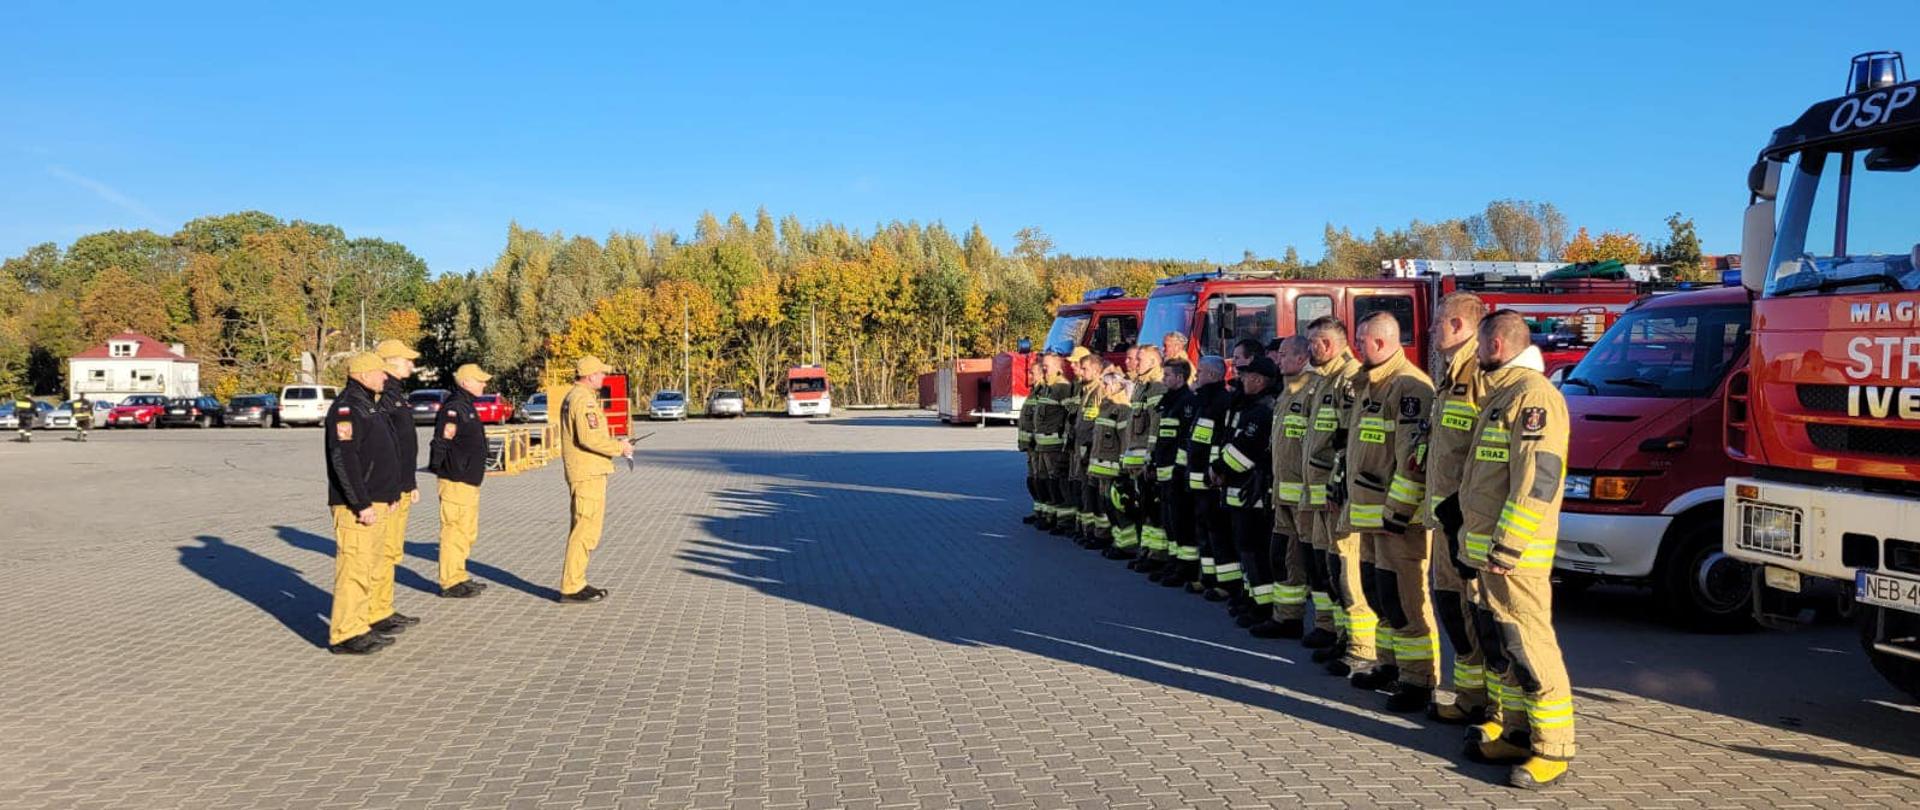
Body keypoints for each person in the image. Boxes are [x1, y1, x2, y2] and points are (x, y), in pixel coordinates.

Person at [1451, 309, 1575, 789]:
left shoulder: (1533, 397)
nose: (1477, 355)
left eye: (1480, 346)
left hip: (1513, 557)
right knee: (1507, 648)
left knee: (1530, 648)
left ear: (1495, 345)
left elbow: (1537, 481)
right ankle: (1519, 733)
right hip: (1490, 554)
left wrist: (1508, 545)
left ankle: (1553, 748)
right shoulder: (1504, 395)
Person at [1342, 312, 1437, 707]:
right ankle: (1389, 664)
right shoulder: (1371, 383)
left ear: (1379, 342)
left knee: (1404, 600)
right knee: (1379, 595)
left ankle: (1417, 680)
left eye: (1360, 341)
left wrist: (1397, 512)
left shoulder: (1409, 387)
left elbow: (1411, 460)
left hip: (1396, 521)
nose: (1355, 347)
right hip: (1371, 515)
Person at [1422, 292, 1492, 724]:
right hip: (1445, 519)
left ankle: (1491, 705)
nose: (1430, 329)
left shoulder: (1480, 373)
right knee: (1452, 607)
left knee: (1478, 614)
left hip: (1468, 521)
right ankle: (1468, 696)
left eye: (1437, 322)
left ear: (1458, 325)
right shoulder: (1451, 375)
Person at [324, 353, 403, 655]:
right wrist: (360, 504)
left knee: (370, 566)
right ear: (362, 374)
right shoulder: (347, 408)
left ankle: (363, 622)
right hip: (357, 506)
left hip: (378, 501)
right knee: (354, 568)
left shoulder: (369, 404)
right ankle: (346, 633)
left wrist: (390, 494)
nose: (385, 377)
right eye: (380, 372)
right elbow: (344, 459)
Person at [1300, 316, 1362, 666]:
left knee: (1345, 571)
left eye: (1312, 342)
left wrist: (1338, 486)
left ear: (1327, 344)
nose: (1309, 348)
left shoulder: (1348, 379)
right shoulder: (1325, 379)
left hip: (1334, 491)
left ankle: (1357, 644)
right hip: (1319, 490)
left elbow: (1348, 440)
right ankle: (1339, 633)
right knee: (1326, 566)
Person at [557, 355, 633, 602]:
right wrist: (619, 447)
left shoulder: (577, 397)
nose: (604, 377)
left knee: (586, 528)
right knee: (585, 529)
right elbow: (589, 438)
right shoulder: (583, 400)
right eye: (601, 373)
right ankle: (572, 586)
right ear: (590, 376)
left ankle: (577, 580)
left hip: (588, 471)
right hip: (587, 473)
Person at [1214, 355, 1280, 632]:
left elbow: (1244, 451)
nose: (1241, 380)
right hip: (1241, 491)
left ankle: (1262, 607)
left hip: (1253, 493)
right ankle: (1251, 598)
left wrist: (1218, 467)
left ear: (1259, 380)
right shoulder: (1249, 406)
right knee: (1246, 549)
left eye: (1245, 376)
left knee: (1255, 551)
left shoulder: (1262, 410)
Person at [1257, 336, 1312, 639]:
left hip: (1306, 497)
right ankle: (1286, 617)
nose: (1278, 360)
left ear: (1301, 358)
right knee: (1282, 557)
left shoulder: (1311, 392)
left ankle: (1328, 628)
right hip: (1282, 494)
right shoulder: (1286, 393)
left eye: (1283, 354)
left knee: (1313, 565)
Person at [367, 339, 423, 637]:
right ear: (389, 362)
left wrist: (409, 482)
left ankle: (383, 608)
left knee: (391, 552)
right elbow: (382, 448)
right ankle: (374, 611)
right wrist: (392, 486)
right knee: (382, 552)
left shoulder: (395, 393)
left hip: (399, 485)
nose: (411, 365)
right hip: (387, 489)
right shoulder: (383, 396)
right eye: (406, 360)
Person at [429, 364, 493, 599]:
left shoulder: (467, 405)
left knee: (466, 531)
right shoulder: (454, 408)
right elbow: (441, 442)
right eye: (480, 380)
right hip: (456, 479)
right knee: (454, 531)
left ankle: (459, 574)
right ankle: (450, 581)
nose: (484, 384)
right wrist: (442, 468)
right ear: (466, 382)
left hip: (468, 480)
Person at [1184, 355, 1234, 598]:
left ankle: (1225, 585)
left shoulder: (1221, 401)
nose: (1196, 375)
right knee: (1203, 531)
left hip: (1212, 482)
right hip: (1198, 480)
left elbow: (1220, 441)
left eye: (1201, 372)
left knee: (1218, 533)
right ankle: (1208, 578)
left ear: (1213, 375)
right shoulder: (1204, 400)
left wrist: (1215, 471)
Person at [1114, 346, 1167, 562]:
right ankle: (1145, 549)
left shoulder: (1157, 388)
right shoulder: (1141, 387)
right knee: (1143, 508)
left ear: (1153, 363)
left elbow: (1156, 426)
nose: (1135, 363)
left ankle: (1157, 554)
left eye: (1140, 360)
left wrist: (1150, 458)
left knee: (1152, 510)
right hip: (1135, 461)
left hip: (1145, 461)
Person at [1145, 359, 1194, 580]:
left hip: (1176, 474)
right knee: (1169, 521)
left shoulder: (1186, 402)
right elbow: (1162, 438)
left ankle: (1185, 568)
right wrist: (1153, 462)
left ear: (1180, 378)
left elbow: (1185, 440)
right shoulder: (1169, 402)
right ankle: (1173, 563)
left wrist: (1178, 470)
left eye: (1167, 376)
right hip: (1164, 472)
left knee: (1181, 523)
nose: (1163, 379)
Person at [1086, 370, 1133, 557]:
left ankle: (1126, 547)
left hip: (1114, 470)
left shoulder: (1122, 409)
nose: (1103, 388)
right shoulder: (1105, 407)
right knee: (1106, 507)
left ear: (1116, 386)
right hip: (1102, 470)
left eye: (1105, 385)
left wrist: (1123, 470)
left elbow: (1125, 441)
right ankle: (1112, 540)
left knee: (1118, 509)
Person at [1029, 352, 1075, 533]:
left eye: (1046, 367)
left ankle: (1063, 521)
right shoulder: (1049, 387)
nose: (1044, 370)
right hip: (1043, 445)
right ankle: (1050, 517)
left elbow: (1070, 415)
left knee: (1058, 483)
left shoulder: (1062, 387)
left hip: (1055, 446)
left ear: (1058, 368)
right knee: (1046, 483)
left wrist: (1066, 440)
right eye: (1043, 367)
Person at [1067, 348, 1107, 548]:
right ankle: (1086, 530)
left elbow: (1099, 424)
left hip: (1091, 451)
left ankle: (1098, 533)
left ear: (1097, 371)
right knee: (1083, 491)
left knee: (1093, 493)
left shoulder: (1099, 391)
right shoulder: (1085, 391)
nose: (1080, 372)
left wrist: (1091, 448)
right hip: (1080, 450)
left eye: (1085, 369)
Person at [1016, 351, 1044, 526]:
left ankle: (1045, 514)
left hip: (1039, 445)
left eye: (1033, 373)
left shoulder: (1043, 393)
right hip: (1031, 446)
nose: (1030, 376)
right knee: (1033, 480)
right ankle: (1038, 511)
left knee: (1041, 481)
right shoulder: (1035, 392)